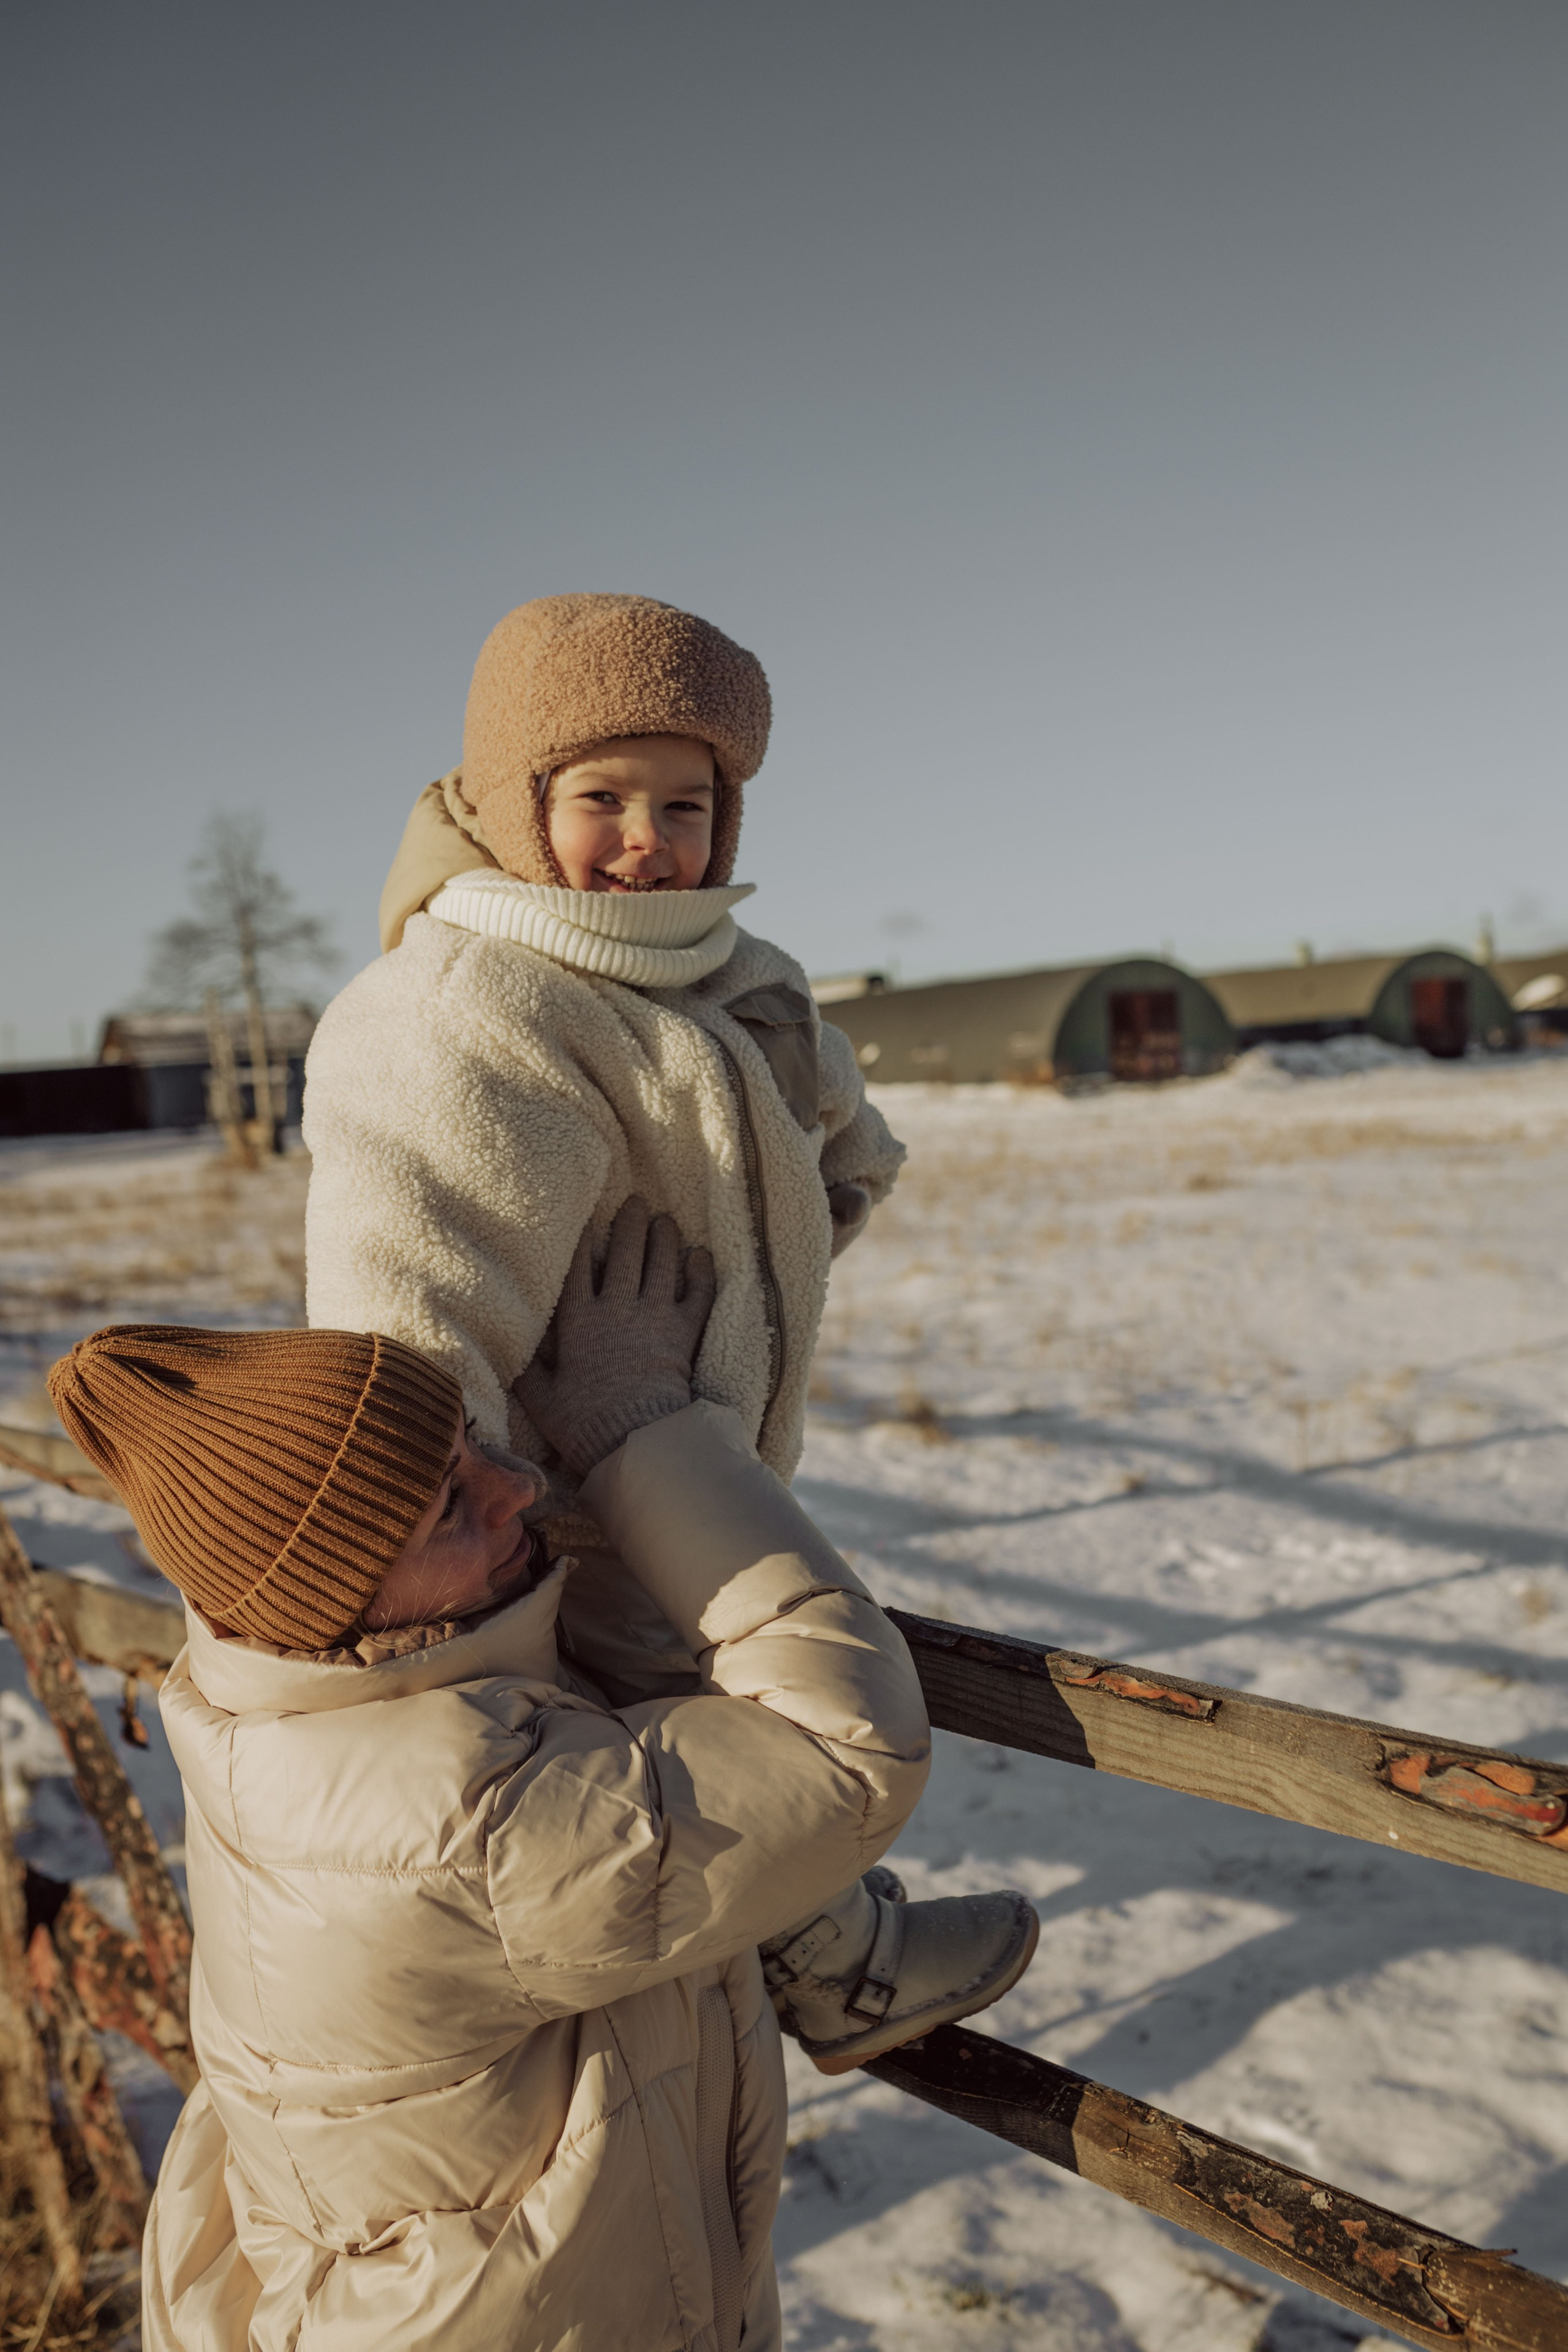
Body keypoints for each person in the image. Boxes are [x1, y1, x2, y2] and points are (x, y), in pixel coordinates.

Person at [49, 1208, 1036, 2350]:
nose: (518, 1484)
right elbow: (843, 1753)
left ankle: (819, 1946)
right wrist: (645, 1431)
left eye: (472, 1440)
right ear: (339, 1606)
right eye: (448, 1509)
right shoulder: (457, 1827)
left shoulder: (270, 1709)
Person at [301, 595, 1035, 2062]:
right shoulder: (463, 1007)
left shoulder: (713, 972)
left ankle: (776, 1970)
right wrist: (450, 1548)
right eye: (600, 799)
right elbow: (407, 1305)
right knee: (717, 1732)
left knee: (714, 1693)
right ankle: (830, 1964)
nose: (647, 840)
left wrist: (798, 1231)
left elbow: (833, 1136)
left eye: (686, 805)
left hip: (685, 1453)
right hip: (550, 1514)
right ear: (514, 805)